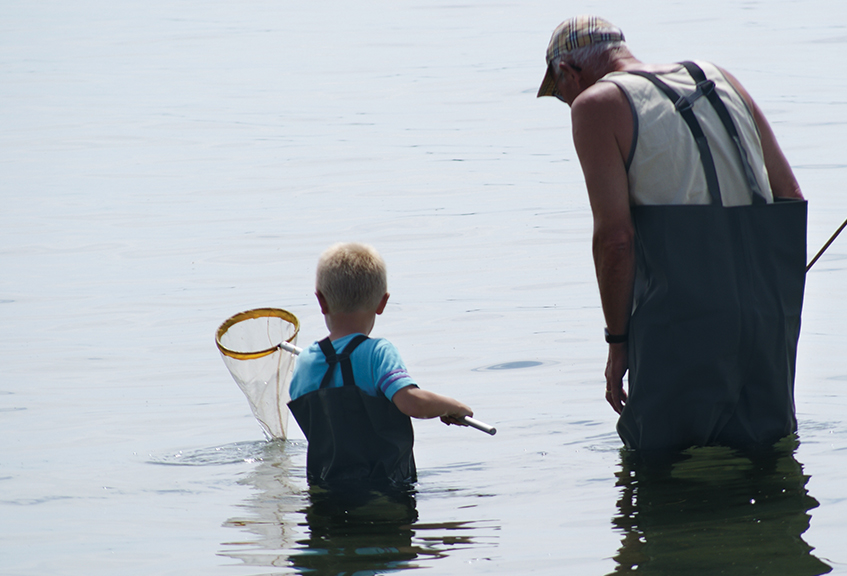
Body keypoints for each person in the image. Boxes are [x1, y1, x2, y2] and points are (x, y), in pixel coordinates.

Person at [538, 16, 808, 453]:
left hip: (683, 321)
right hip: (768, 313)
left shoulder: (596, 105)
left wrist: (618, 343)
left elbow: (616, 240)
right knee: (765, 457)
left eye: (561, 94)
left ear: (568, 72)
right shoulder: (718, 76)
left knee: (660, 470)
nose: (569, 104)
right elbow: (790, 194)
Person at [288, 242, 473, 490]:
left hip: (325, 495)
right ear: (382, 303)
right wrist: (452, 406)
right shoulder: (378, 353)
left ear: (321, 301)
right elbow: (412, 402)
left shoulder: (306, 362)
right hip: (387, 491)